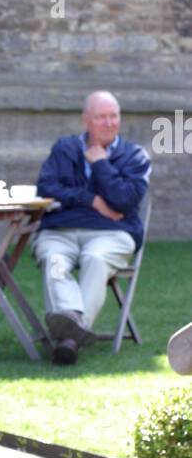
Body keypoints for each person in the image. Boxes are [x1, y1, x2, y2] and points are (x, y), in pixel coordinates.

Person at [32, 91, 151, 366]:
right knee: (53, 259)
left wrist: (100, 163)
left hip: (113, 233)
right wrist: (93, 200)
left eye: (114, 116)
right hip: (60, 230)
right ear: (86, 120)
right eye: (101, 117)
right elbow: (46, 188)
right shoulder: (64, 148)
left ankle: (69, 337)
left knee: (95, 259)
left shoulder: (135, 157)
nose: (109, 123)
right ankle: (75, 330)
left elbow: (124, 200)